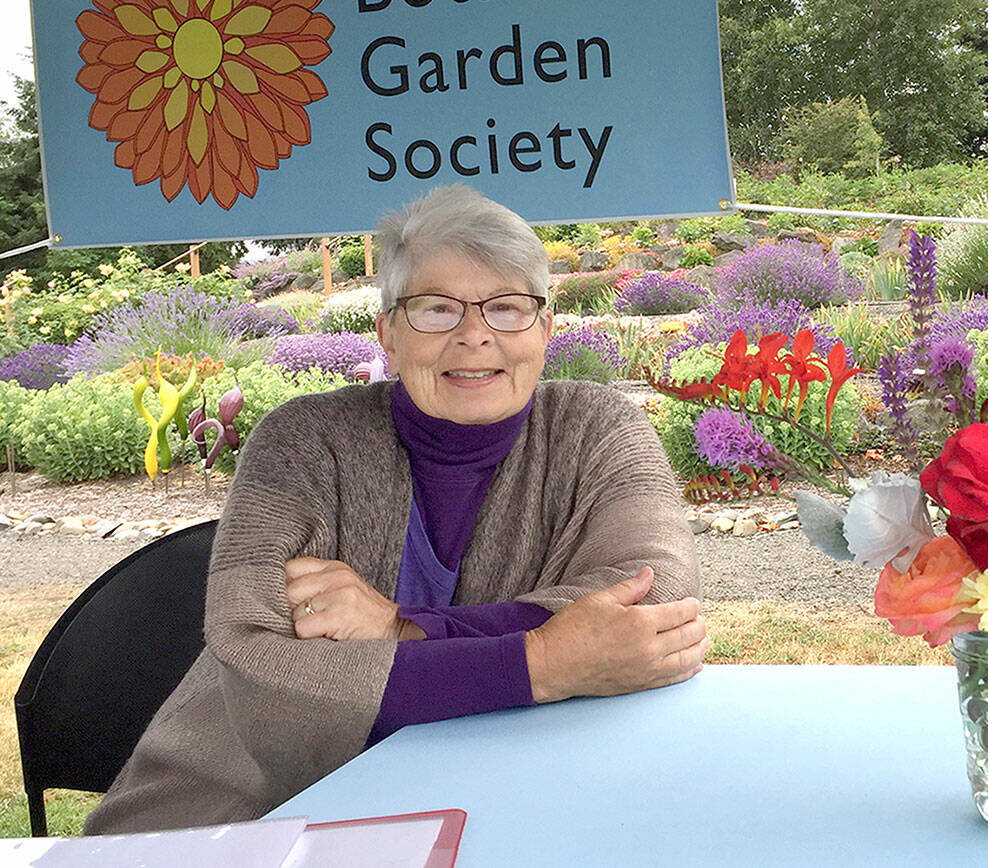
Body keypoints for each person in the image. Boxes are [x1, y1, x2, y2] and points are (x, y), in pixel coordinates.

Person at [84, 186, 705, 833]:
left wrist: (399, 629)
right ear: (388, 332)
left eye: (508, 308)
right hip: (250, 806)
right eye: (436, 308)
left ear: (546, 328)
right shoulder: (299, 440)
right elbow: (254, 655)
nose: (474, 335)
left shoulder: (600, 428)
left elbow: (654, 605)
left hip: (523, 797)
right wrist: (544, 661)